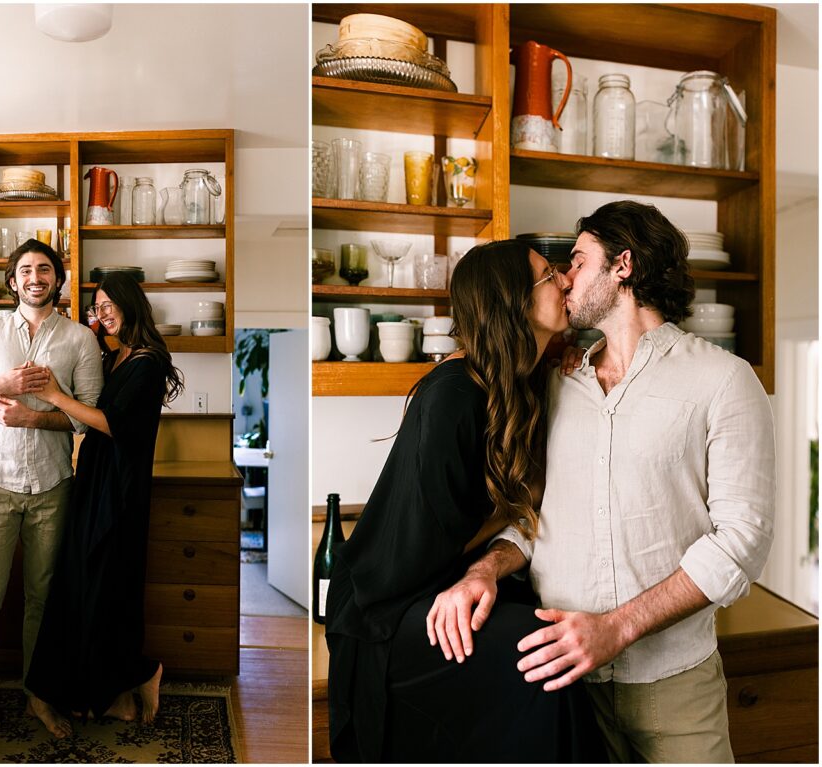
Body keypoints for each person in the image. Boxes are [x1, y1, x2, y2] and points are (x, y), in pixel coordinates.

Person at [428, 201, 775, 763]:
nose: (564, 277)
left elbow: (742, 542)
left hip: (676, 690)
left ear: (624, 266)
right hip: (563, 689)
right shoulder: (560, 383)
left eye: (579, 261)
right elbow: (539, 519)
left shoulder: (724, 381)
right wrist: (485, 569)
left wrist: (616, 628)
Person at [326, 240, 606, 763]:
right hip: (384, 607)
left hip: (439, 577)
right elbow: (428, 542)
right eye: (551, 275)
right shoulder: (454, 397)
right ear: (513, 301)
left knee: (550, 646)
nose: (567, 280)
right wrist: (519, 511)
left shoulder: (523, 377)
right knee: (543, 658)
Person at [0, 239, 103, 761]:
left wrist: (35, 415)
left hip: (54, 485)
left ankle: (38, 696)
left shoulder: (81, 339)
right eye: (25, 270)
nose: (35, 277)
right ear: (12, 281)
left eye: (44, 269)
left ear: (58, 279)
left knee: (43, 599)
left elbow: (88, 416)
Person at [24, 272, 184, 725]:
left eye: (110, 304)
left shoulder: (148, 362)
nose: (103, 313)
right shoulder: (119, 356)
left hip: (121, 489)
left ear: (133, 303)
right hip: (96, 480)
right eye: (98, 307)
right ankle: (109, 694)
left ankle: (141, 672)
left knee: (107, 589)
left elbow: (114, 423)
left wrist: (53, 394)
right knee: (88, 587)